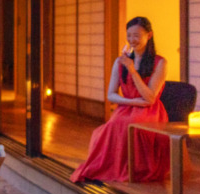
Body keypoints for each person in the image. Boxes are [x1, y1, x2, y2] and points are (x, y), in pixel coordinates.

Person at [71, 16, 185, 183]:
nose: (132, 40)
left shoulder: (160, 62)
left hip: (150, 110)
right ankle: (114, 167)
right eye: (129, 35)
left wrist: (132, 70)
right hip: (128, 106)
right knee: (113, 124)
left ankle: (135, 169)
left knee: (131, 123)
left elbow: (150, 97)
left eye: (137, 35)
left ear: (149, 35)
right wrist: (132, 102)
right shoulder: (119, 62)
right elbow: (110, 95)